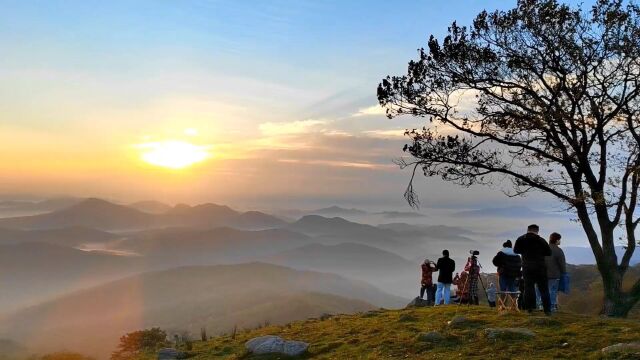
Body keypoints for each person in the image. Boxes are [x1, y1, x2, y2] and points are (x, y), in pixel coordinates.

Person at [514, 224, 552, 315]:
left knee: (528, 288)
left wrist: (524, 251)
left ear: (528, 230)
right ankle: (547, 310)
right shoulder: (541, 240)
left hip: (527, 267)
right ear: (537, 231)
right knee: (544, 289)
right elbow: (549, 252)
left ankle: (529, 308)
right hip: (540, 267)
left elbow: (515, 250)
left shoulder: (521, 239)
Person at [545, 232, 566, 311]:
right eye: (559, 239)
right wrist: (564, 273)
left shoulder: (544, 248)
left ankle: (543, 305)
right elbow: (562, 264)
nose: (560, 241)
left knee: (545, 290)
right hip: (554, 275)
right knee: (553, 291)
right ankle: (552, 306)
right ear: (556, 240)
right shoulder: (558, 250)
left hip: (543, 274)